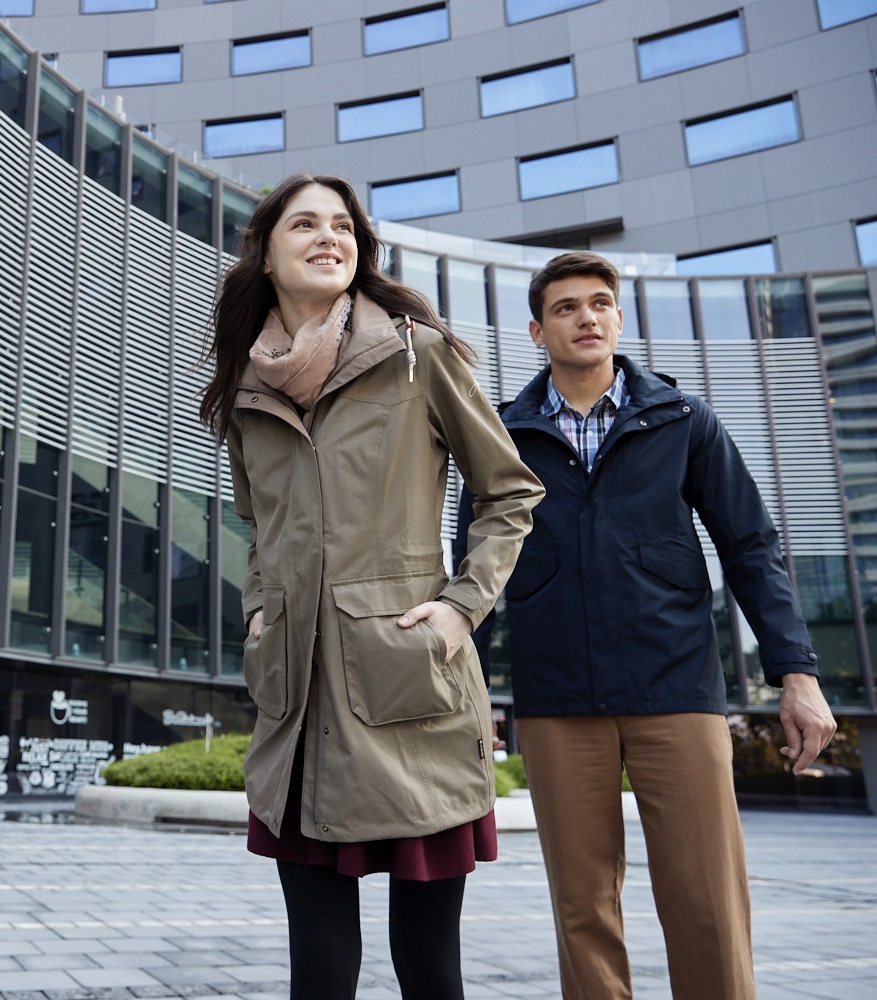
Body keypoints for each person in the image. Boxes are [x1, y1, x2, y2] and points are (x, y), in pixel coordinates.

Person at [199, 173, 544, 1000]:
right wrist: (258, 610)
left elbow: (510, 494)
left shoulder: (418, 355)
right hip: (298, 711)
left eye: (343, 227)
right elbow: (260, 530)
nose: (330, 237)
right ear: (267, 252)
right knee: (318, 971)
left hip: (406, 686)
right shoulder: (244, 389)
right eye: (306, 225)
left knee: (430, 969)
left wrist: (462, 608)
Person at [462, 251, 838, 999]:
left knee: (708, 902)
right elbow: (473, 570)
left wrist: (798, 674)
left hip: (678, 690)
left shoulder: (682, 419)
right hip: (557, 699)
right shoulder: (502, 433)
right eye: (566, 307)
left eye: (600, 303)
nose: (586, 317)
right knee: (583, 909)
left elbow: (752, 548)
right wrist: (466, 695)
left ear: (619, 319)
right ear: (537, 330)